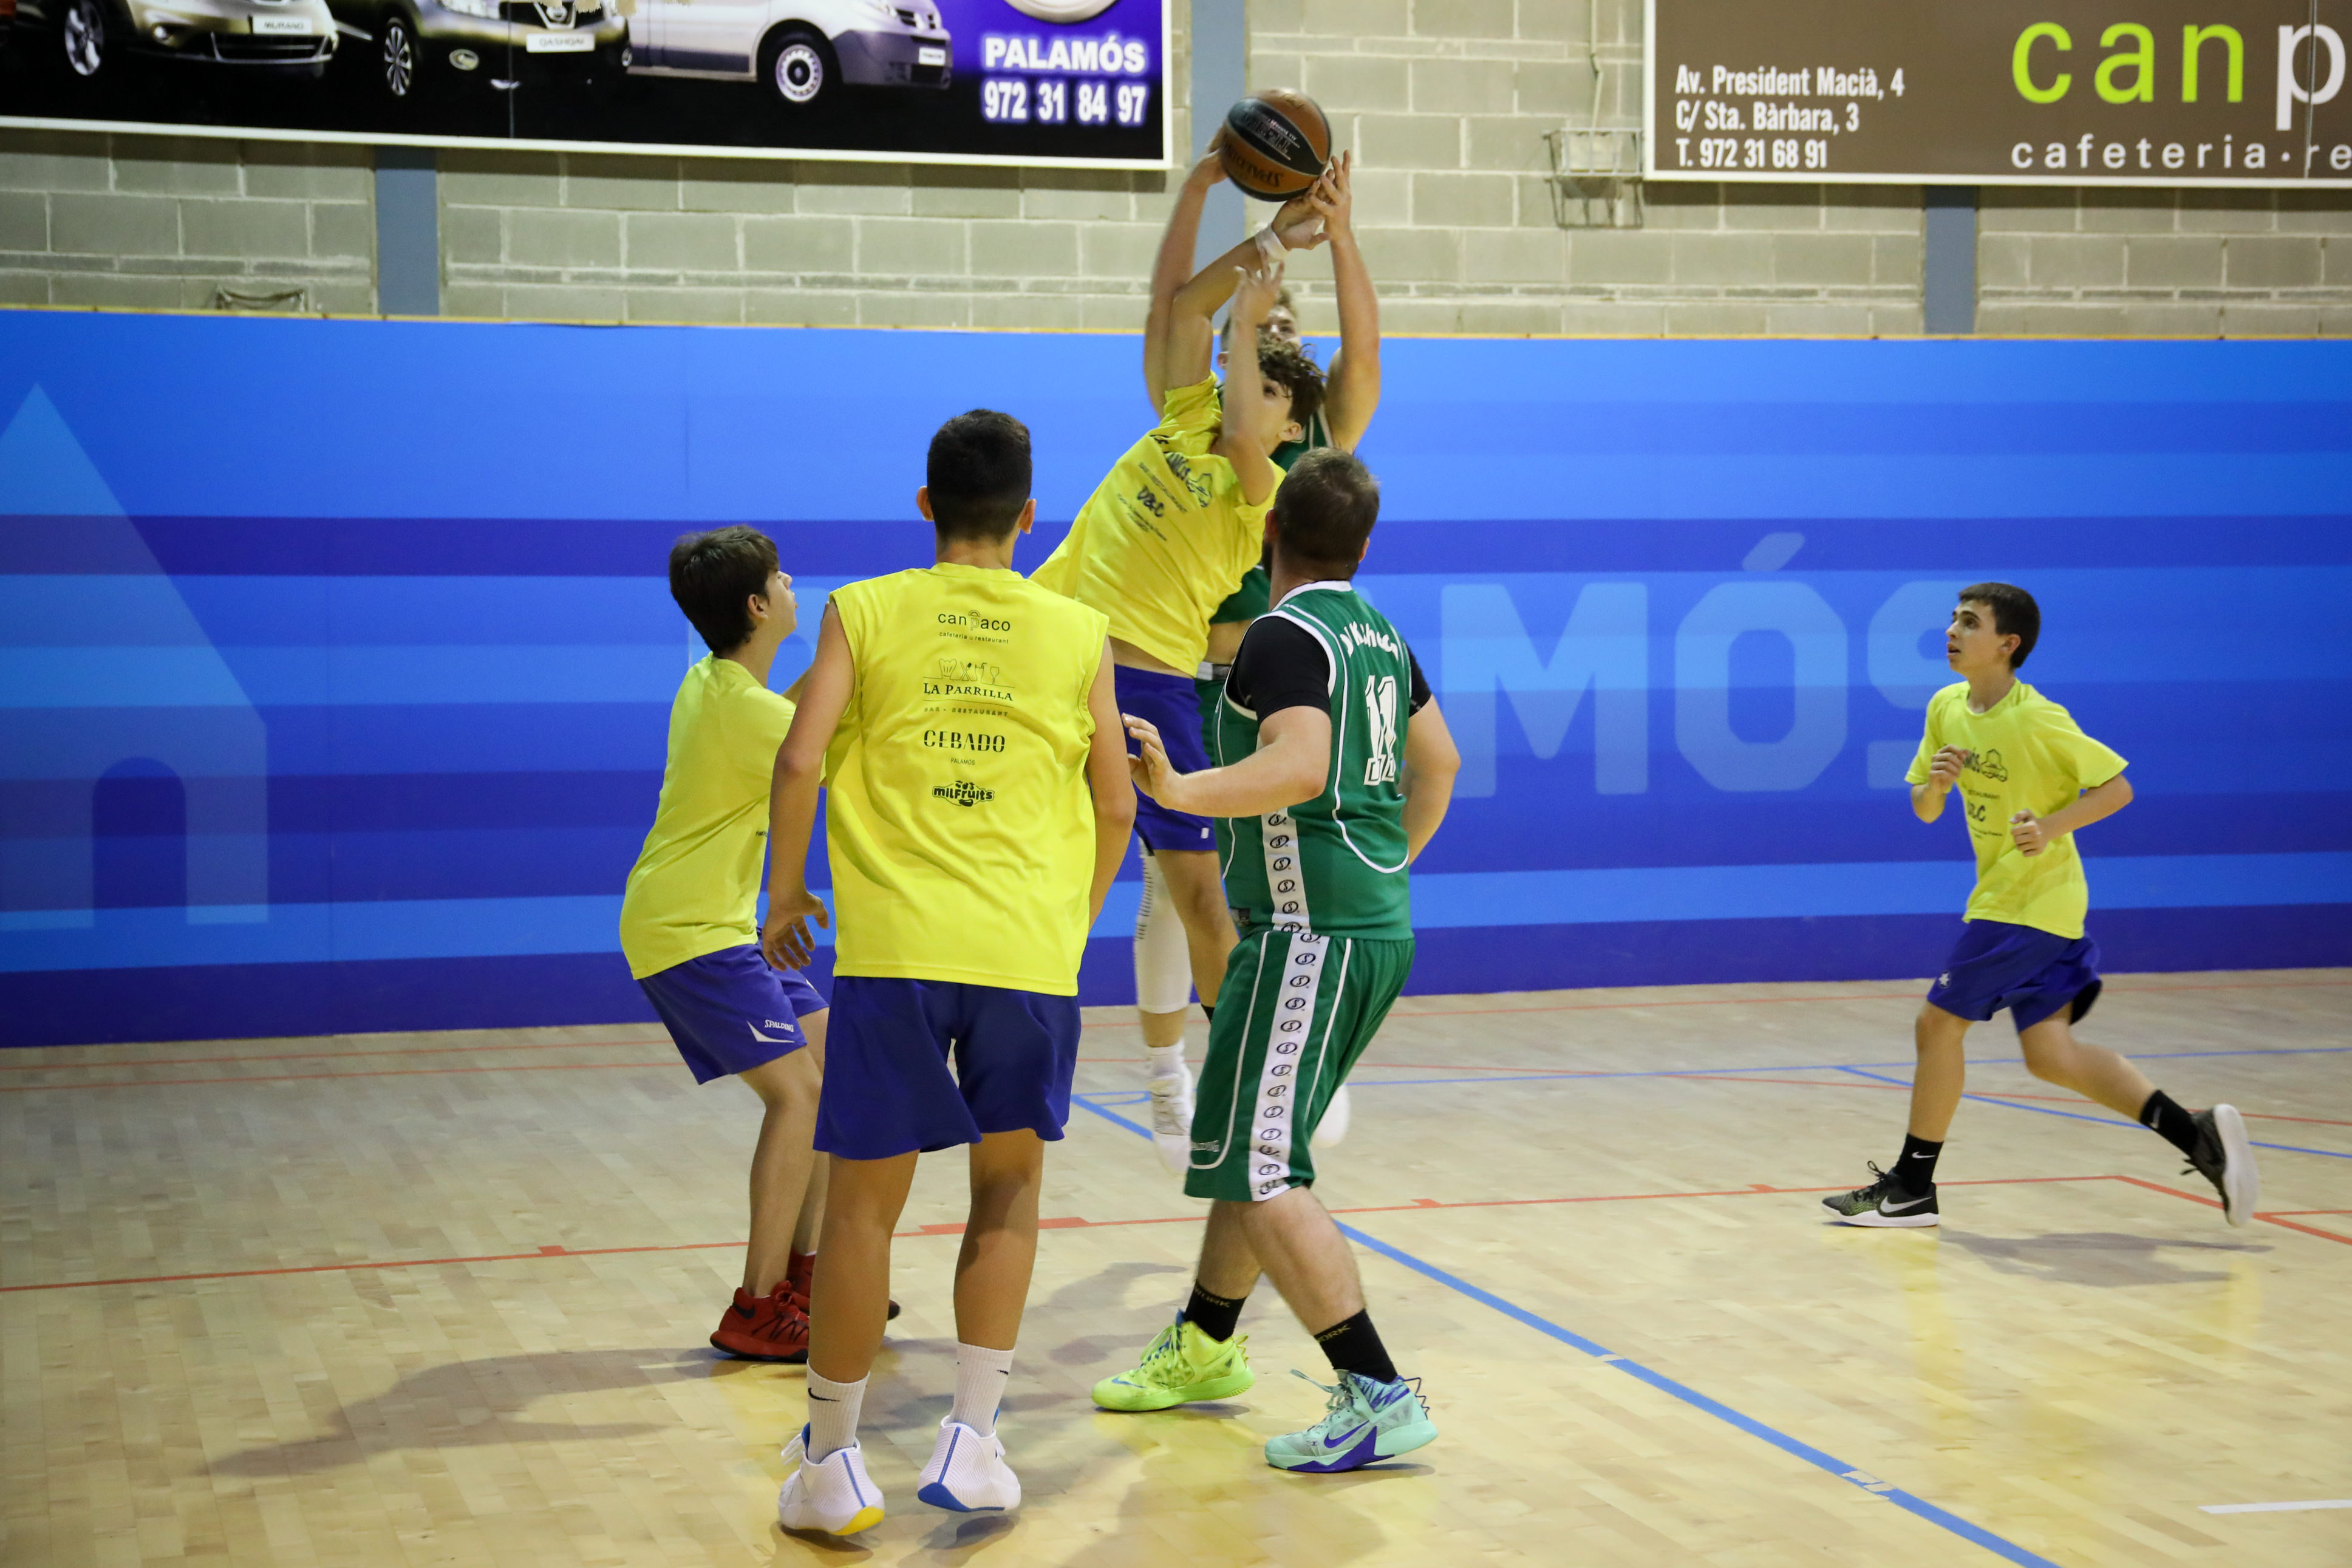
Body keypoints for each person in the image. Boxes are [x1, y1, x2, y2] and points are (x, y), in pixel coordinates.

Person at [762, 411, 1133, 1535]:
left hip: (896, 952)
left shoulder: (862, 609)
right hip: (1027, 952)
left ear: (925, 506)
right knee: (1007, 1187)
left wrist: (785, 895)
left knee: (863, 1206)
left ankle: (831, 1462)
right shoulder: (1081, 628)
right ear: (1030, 516)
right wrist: (1065, 926)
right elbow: (1117, 804)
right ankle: (971, 1441)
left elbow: (798, 755)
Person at [1092, 448, 1464, 1475]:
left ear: (1267, 535)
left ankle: (1376, 1392)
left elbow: (1297, 766)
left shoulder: (1282, 632)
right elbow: (1439, 763)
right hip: (1365, 927)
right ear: (1363, 545)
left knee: (1259, 1164)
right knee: (1247, 1145)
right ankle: (1208, 1340)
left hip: (1308, 932)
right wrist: (1383, 866)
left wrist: (1177, 788)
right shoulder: (1378, 633)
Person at [1031, 211, 1324, 1173]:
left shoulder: (1262, 484)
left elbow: (1241, 415)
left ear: (1291, 426)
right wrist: (1258, 237)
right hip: (1056, 650)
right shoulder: (1188, 410)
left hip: (1151, 686)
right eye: (1255, 373)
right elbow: (1184, 305)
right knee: (1036, 858)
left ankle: (1245, 1080)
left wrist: (1256, 303)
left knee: (1198, 895)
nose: (1254, 388)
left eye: (1275, 388)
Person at [1824, 584, 2258, 1229]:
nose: (1951, 631)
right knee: (2050, 1054)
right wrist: (1937, 784)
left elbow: (2117, 788)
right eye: (1952, 620)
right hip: (2035, 906)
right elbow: (1924, 808)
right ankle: (2196, 1134)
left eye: (1968, 622)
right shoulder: (1946, 706)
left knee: (1937, 1025)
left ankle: (1911, 1187)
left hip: (2026, 900)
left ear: (2008, 643)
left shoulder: (2037, 717)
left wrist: (2051, 827)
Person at [1183, 149, 1384, 1150]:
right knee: (1195, 889)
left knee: (1287, 880)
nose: (1274, 336)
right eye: (1256, 331)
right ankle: (1189, 1058)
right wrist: (1243, 246)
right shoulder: (1214, 429)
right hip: (1204, 676)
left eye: (1285, 329)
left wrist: (1340, 236)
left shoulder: (1322, 445)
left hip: (1296, 684)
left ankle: (1287, 1053)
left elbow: (1366, 354)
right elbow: (1189, 320)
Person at [617, 527, 828, 1363]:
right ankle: (756, 1304)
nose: (790, 581)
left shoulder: (716, 682)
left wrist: (847, 658)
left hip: (718, 923)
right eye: (779, 576)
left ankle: (805, 1280)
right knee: (798, 1097)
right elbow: (817, 746)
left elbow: (800, 716)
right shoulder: (747, 712)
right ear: (756, 606)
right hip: (689, 930)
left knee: (833, 1070)